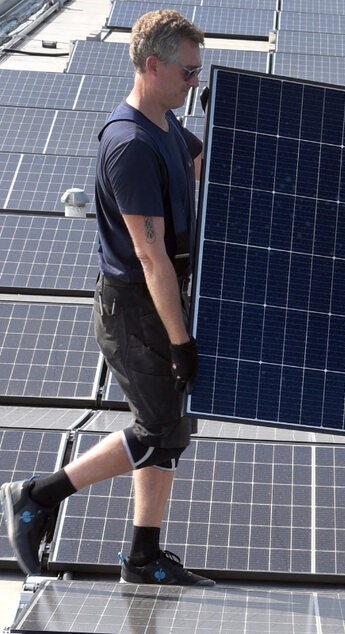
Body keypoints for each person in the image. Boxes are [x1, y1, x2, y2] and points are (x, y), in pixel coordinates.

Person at [1, 10, 212, 586]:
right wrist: (180, 338)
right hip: (137, 304)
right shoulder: (131, 145)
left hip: (159, 297)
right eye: (188, 72)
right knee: (156, 429)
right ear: (153, 65)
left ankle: (143, 557)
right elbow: (150, 256)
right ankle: (37, 495)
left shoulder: (168, 128)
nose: (195, 83)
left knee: (170, 428)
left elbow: (203, 165)